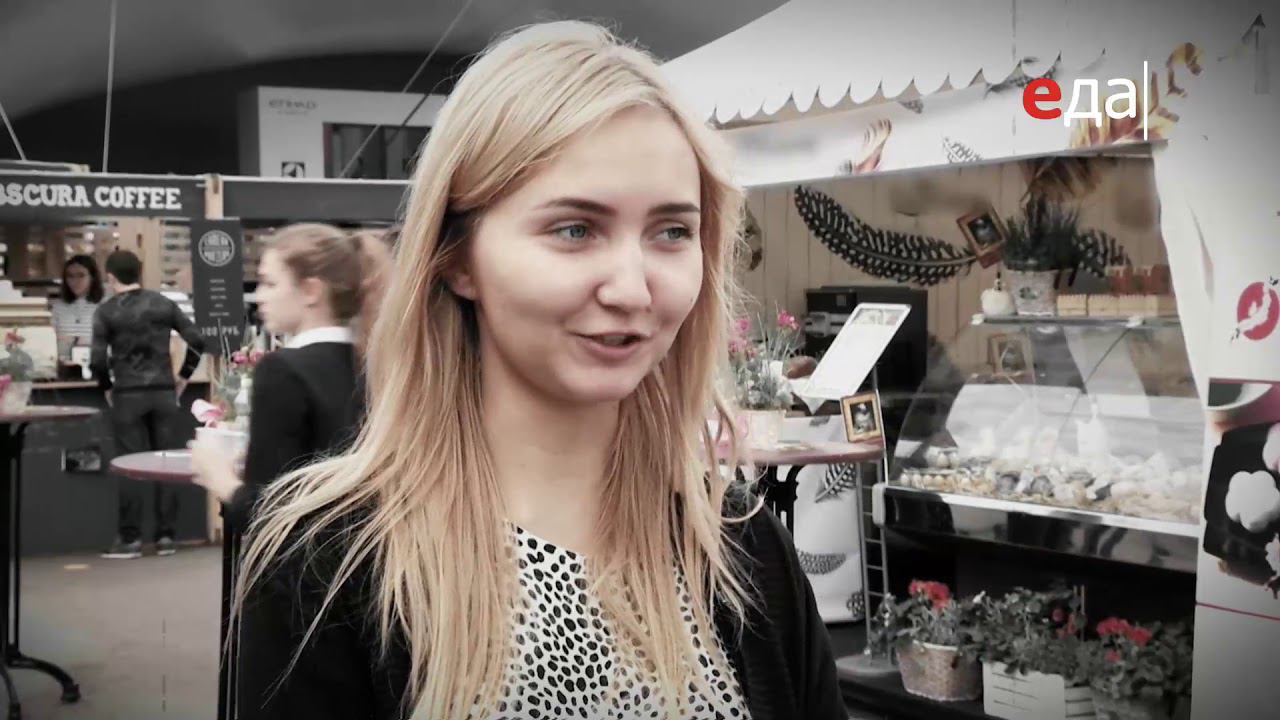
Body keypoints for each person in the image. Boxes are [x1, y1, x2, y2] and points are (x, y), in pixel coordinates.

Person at [234, 22, 843, 720]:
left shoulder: (740, 543)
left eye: (672, 231)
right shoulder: (331, 560)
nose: (633, 289)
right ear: (457, 258)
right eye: (574, 229)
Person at [190, 224, 390, 529]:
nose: (259, 296)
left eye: (270, 283)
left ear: (311, 291)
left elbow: (270, 514)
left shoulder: (283, 371)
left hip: (306, 555)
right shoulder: (375, 363)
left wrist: (220, 479)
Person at [92, 249, 206, 559]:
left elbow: (97, 360)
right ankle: (166, 537)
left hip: (128, 394)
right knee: (166, 463)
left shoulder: (106, 311)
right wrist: (183, 377)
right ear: (139, 273)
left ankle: (129, 540)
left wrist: (106, 387)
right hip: (164, 392)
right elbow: (197, 340)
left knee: (130, 465)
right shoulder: (163, 303)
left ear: (111, 277)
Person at [49, 255, 104, 364]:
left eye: (81, 275)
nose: (75, 281)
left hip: (96, 364)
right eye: (70, 276)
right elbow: (50, 338)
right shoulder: (58, 307)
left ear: (92, 277)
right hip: (65, 364)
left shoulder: (105, 305)